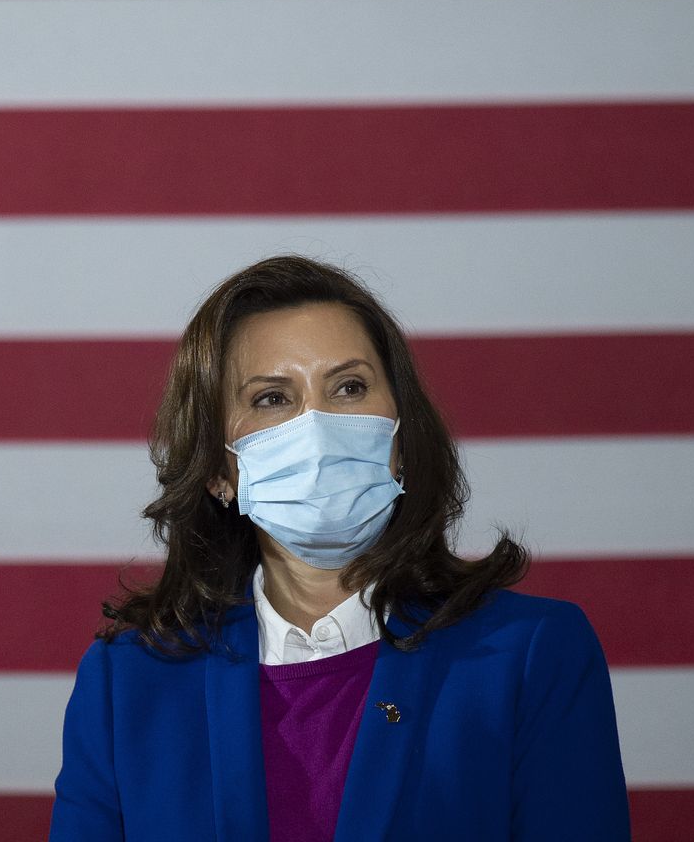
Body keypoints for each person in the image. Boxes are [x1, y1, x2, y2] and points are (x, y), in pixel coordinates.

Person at [49, 255, 630, 841]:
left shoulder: (530, 657)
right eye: (272, 398)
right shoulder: (126, 683)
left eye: (349, 387)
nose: (318, 429)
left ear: (402, 436)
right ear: (218, 472)